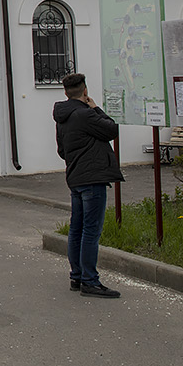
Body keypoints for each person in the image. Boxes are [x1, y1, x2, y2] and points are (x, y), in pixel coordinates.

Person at [54, 73, 125, 297]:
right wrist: (95, 108)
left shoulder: (62, 117)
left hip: (75, 177)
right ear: (84, 91)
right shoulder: (85, 114)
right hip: (92, 178)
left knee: (76, 229)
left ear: (66, 93)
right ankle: (90, 281)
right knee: (91, 231)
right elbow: (112, 130)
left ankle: (76, 276)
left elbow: (62, 151)